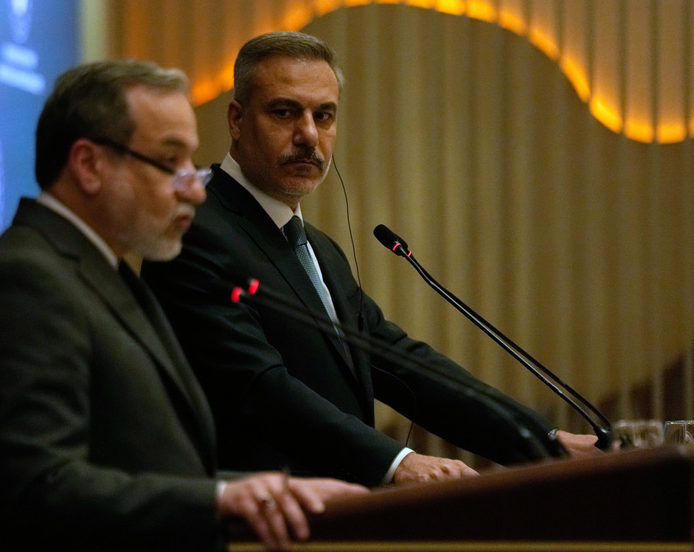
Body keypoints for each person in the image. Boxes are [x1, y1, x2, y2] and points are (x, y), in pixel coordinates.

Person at [141, 32, 600, 489]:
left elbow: (401, 364)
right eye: (285, 112)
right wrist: (395, 460)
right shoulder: (194, 233)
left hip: (341, 521)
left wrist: (543, 440)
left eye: (324, 116)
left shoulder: (319, 249)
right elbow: (257, 386)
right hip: (256, 524)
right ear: (237, 120)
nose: (308, 135)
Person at [0, 60, 366, 552]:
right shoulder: (23, 282)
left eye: (191, 162)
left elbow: (153, 467)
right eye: (170, 162)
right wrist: (220, 499)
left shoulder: (109, 274)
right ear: (89, 165)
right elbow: (41, 488)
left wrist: (275, 492)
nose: (193, 186)